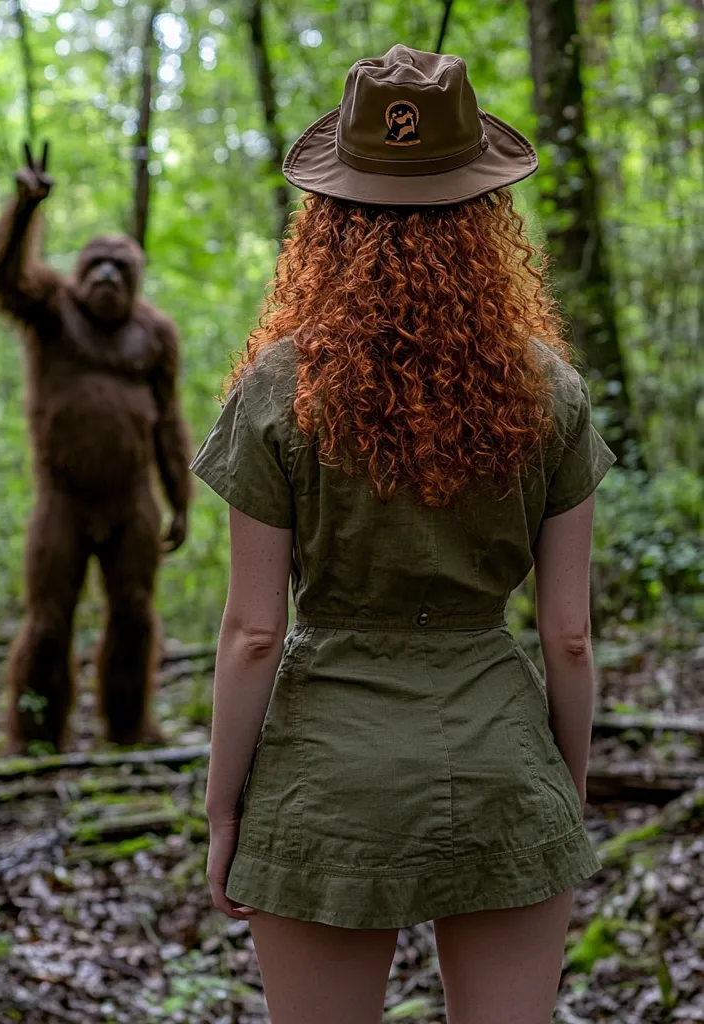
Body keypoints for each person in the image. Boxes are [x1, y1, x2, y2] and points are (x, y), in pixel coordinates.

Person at [191, 44, 616, 1024]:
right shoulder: (546, 387)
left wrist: (223, 811)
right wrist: (560, 791)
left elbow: (252, 632)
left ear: (329, 214)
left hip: (323, 778)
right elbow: (568, 635)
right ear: (482, 212)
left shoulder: (277, 388)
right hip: (503, 758)